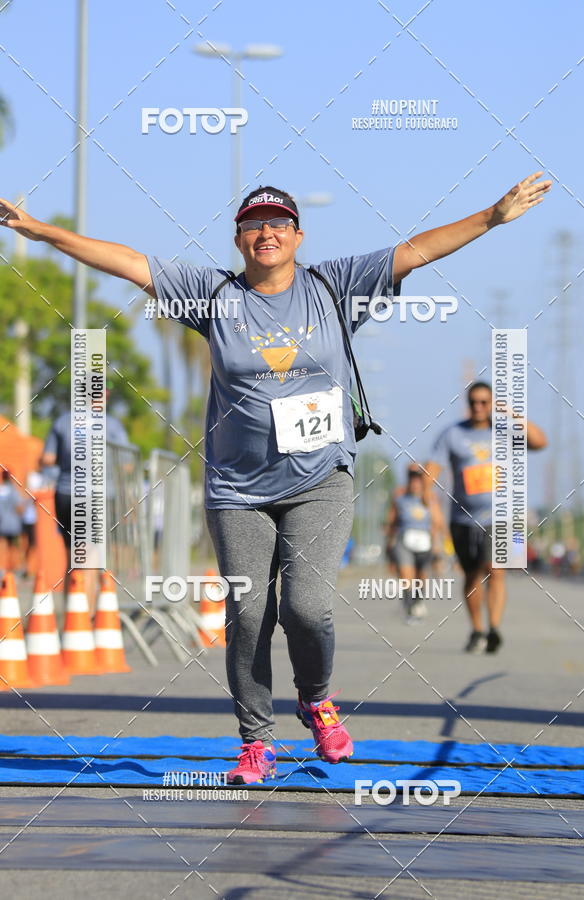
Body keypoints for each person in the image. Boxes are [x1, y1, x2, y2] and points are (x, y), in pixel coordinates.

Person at [0, 171, 551, 783]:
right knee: (248, 613)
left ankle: (316, 699)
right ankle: (255, 739)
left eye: (278, 223)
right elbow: (129, 262)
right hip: (237, 490)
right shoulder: (212, 294)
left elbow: (416, 250)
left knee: (309, 610)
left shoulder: (333, 286)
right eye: (253, 225)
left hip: (319, 480)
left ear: (298, 235)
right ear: (239, 241)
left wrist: (492, 216)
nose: (266, 232)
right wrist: (40, 231)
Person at [425, 382, 547, 654]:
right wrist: (428, 499)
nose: (479, 407)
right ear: (468, 404)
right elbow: (432, 470)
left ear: (492, 404)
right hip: (463, 518)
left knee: (496, 570)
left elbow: (540, 442)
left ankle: (493, 628)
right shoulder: (453, 434)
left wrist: (513, 414)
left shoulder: (505, 432)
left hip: (502, 515)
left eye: (485, 402)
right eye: (474, 402)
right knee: (472, 575)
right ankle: (477, 628)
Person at [41, 388, 129, 614]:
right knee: (89, 556)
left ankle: (71, 616)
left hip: (66, 493)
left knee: (72, 555)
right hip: (98, 495)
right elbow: (126, 463)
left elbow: (47, 458)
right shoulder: (111, 425)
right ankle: (85, 618)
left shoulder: (62, 421)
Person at [385, 464, 435, 622]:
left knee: (421, 577)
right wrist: (389, 544)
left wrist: (438, 547)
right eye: (412, 479)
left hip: (424, 543)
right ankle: (410, 607)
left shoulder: (429, 498)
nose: (415, 483)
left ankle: (418, 602)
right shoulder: (399, 497)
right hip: (404, 541)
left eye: (418, 480)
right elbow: (391, 522)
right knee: (407, 577)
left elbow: (437, 523)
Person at [0, 469, 24, 573]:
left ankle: (3, 567)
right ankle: (14, 567)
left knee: (3, 546)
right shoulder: (13, 490)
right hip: (13, 524)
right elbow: (19, 508)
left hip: (2, 523)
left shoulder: (0, 490)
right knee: (15, 547)